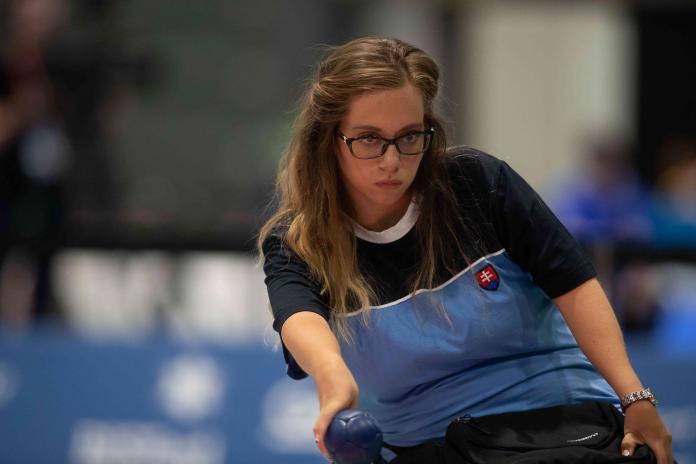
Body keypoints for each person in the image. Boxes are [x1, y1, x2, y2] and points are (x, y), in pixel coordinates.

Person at [258, 37, 673, 463]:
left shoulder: (477, 183)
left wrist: (635, 396)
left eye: (409, 137)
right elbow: (300, 318)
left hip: (567, 421)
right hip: (432, 444)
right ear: (328, 140)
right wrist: (333, 380)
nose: (391, 160)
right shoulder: (298, 241)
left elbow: (574, 285)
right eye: (368, 140)